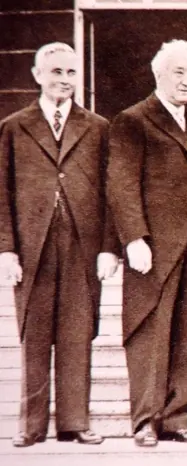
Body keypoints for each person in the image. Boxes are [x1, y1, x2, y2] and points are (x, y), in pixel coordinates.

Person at [0, 42, 119, 447]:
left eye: (70, 73)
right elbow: (1, 192)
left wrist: (109, 247)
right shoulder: (14, 127)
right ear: (37, 75)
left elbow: (110, 192)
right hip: (32, 249)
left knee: (76, 333)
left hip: (82, 246)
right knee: (34, 335)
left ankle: (75, 422)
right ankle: (31, 426)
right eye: (55, 72)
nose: (64, 80)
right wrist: (6, 249)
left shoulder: (98, 127)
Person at [107, 39, 187, 447]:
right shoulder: (133, 120)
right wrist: (134, 238)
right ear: (159, 75)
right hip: (154, 248)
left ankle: (176, 418)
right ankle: (145, 421)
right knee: (150, 332)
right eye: (179, 72)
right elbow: (121, 183)